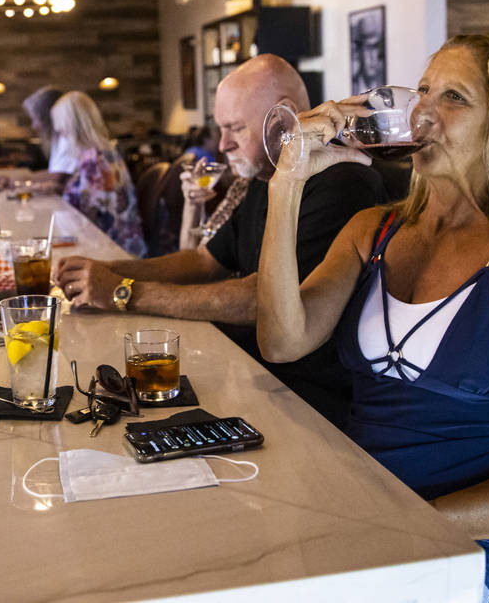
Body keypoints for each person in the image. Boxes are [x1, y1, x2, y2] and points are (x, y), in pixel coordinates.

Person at [255, 34, 489, 602]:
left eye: (454, 98)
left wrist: (400, 524)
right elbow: (281, 341)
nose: (421, 110)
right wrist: (287, 183)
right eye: (421, 91)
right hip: (364, 527)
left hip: (474, 552)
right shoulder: (372, 231)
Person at [55, 55, 387, 426]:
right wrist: (105, 270)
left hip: (305, 398)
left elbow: (259, 299)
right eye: (221, 129)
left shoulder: (341, 182)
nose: (222, 144)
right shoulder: (265, 176)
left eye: (235, 128)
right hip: (250, 369)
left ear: (284, 115)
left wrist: (124, 292)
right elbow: (203, 260)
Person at [51, 91, 147, 257]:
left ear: (71, 125)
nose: (59, 131)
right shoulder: (103, 152)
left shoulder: (94, 160)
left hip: (112, 253)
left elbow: (89, 218)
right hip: (119, 245)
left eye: (60, 125)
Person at [23, 85, 79, 191]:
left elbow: (56, 176)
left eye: (36, 119)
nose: (34, 126)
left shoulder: (68, 138)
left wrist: (16, 180)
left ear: (49, 117)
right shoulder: (58, 138)